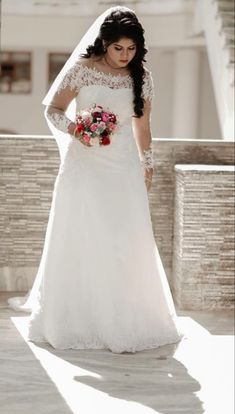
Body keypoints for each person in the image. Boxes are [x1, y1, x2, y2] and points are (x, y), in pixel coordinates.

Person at [8, 6, 184, 353]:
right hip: (83, 166)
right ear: (105, 43)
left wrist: (147, 164)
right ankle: (76, 318)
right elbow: (53, 110)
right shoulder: (82, 70)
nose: (124, 55)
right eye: (118, 48)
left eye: (131, 49)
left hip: (122, 168)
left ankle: (124, 318)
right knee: (80, 235)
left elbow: (142, 127)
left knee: (124, 240)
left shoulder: (142, 77)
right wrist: (77, 129)